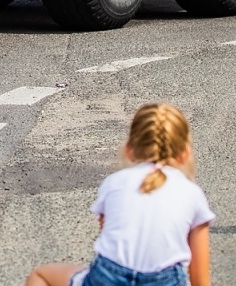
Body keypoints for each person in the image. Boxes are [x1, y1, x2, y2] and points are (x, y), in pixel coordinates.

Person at [25, 103, 212, 286]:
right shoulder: (192, 194)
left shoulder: (114, 183)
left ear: (129, 149)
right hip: (164, 280)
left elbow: (108, 237)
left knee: (41, 276)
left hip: (108, 276)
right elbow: (200, 280)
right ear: (185, 153)